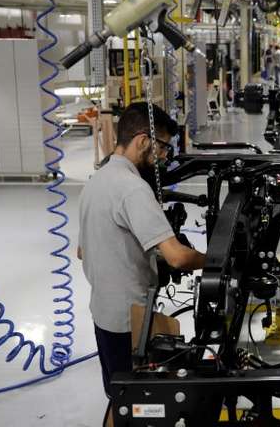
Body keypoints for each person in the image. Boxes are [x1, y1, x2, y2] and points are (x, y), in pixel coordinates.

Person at [77, 102, 205, 411]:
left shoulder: (96, 181)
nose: (163, 156)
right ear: (143, 139)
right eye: (162, 146)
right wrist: (215, 259)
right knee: (142, 406)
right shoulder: (132, 188)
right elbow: (177, 257)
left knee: (118, 395)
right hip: (130, 321)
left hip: (103, 314)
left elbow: (83, 251)